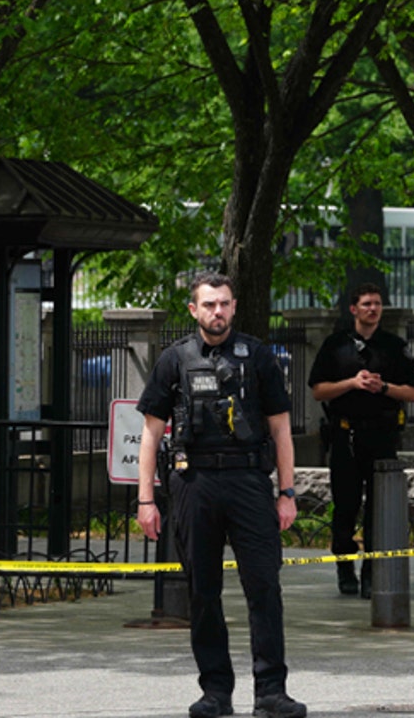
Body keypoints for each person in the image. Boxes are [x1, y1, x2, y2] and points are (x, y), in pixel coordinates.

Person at [137, 273, 308, 718]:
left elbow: (281, 429)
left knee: (264, 588)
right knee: (202, 592)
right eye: (209, 305)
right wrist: (145, 500)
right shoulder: (174, 360)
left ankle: (271, 691)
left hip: (250, 483)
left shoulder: (260, 357)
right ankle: (215, 692)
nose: (218, 312)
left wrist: (287, 492)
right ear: (193, 310)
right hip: (193, 486)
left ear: (234, 307)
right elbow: (151, 435)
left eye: (225, 304)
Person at [308, 283, 414, 598]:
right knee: (345, 507)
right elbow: (318, 389)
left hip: (382, 436)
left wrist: (383, 387)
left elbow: (413, 392)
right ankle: (345, 570)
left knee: (378, 509)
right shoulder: (336, 345)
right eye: (367, 303)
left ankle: (372, 574)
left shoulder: (394, 346)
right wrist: (352, 383)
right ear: (353, 309)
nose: (373, 309)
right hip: (346, 435)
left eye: (377, 304)